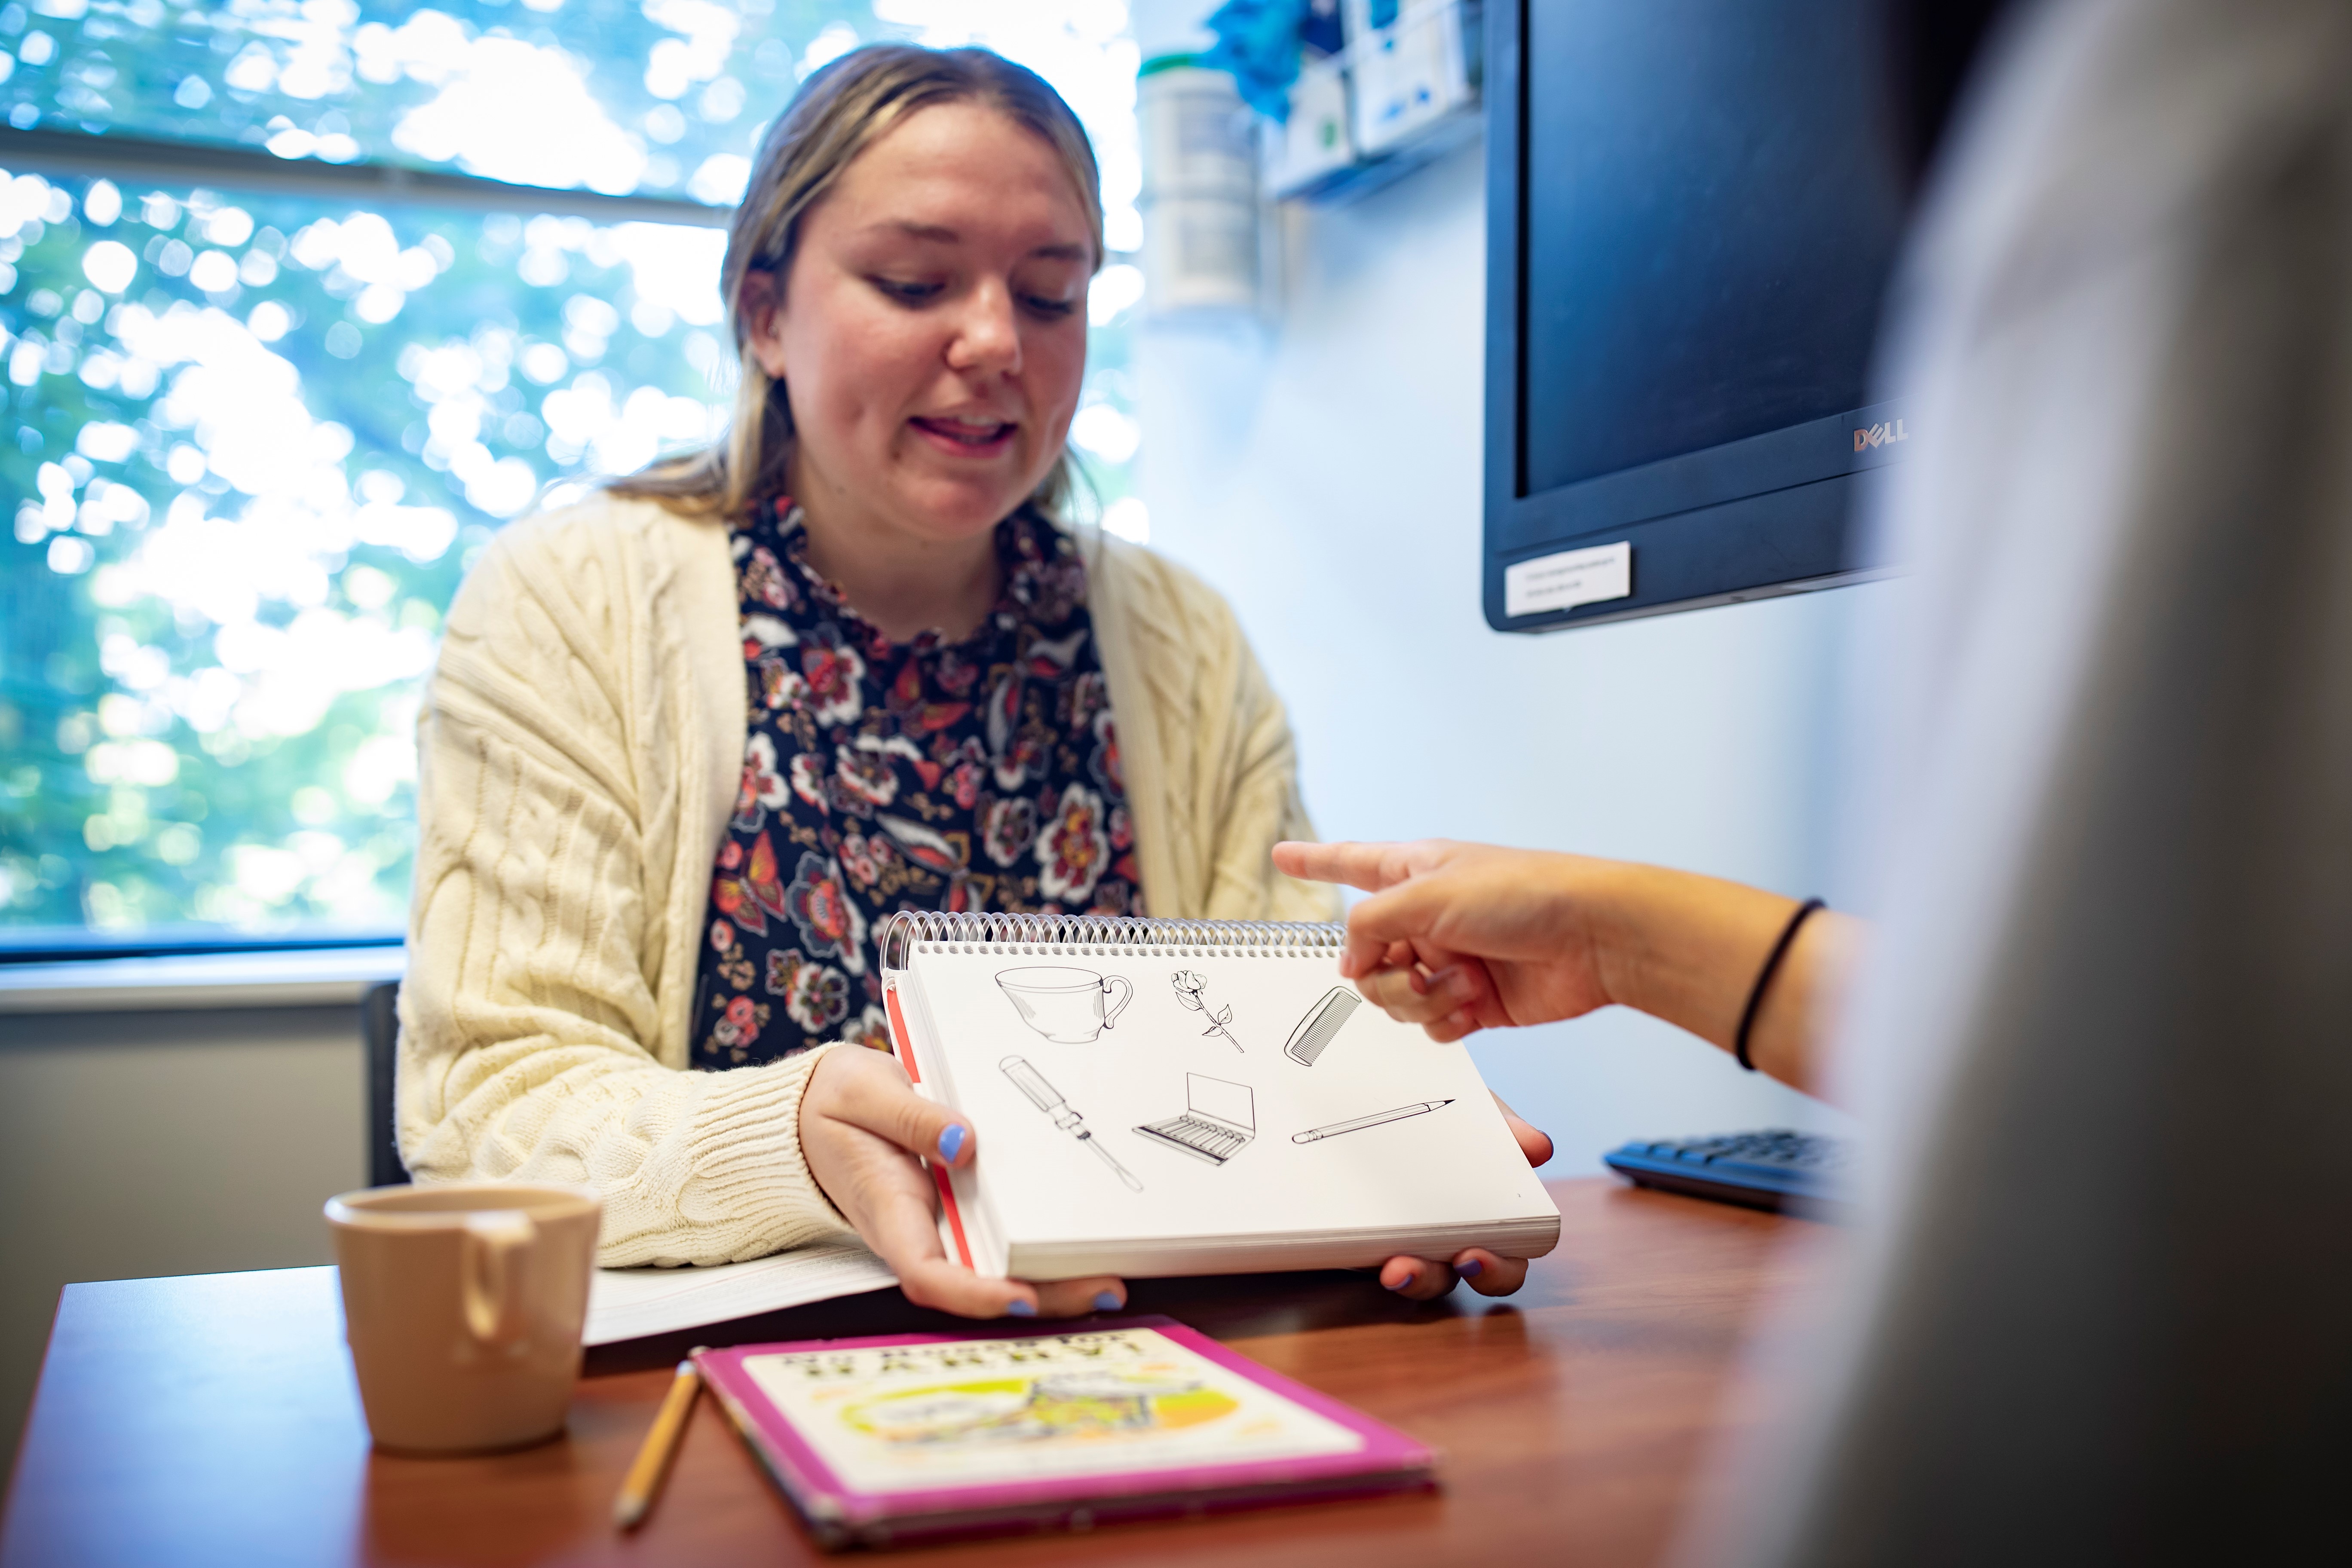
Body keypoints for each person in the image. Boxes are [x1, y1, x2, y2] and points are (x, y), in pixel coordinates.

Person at [397, 44, 1335, 1320]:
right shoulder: (572, 602)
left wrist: (1393, 1149)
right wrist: (790, 1141)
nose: (997, 340)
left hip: (1132, 1349)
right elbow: (487, 1110)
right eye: (914, 282)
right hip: (722, 1373)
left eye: (1052, 295)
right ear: (765, 312)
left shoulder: (1181, 641)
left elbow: (1293, 1049)